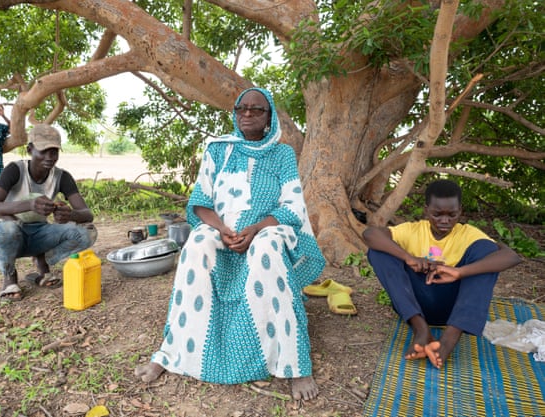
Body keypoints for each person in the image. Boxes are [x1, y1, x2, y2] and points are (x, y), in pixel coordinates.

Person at [135, 88, 326, 400]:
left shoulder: (282, 154)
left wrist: (254, 229)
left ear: (270, 118)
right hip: (222, 231)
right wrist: (223, 229)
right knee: (197, 243)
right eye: (242, 108)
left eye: (257, 110)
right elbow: (201, 200)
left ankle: (294, 363)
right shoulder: (218, 150)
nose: (247, 114)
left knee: (266, 250)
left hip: (267, 230)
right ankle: (170, 352)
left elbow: (292, 207)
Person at [362, 179, 522, 369]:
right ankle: (421, 330)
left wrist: (459, 272)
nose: (445, 220)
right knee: (378, 251)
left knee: (487, 256)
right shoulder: (413, 230)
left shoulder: (468, 234)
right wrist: (408, 257)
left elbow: (511, 257)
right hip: (415, 305)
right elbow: (370, 234)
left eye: (452, 215)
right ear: (426, 210)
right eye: (437, 214)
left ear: (460, 211)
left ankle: (447, 341)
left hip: (452, 308)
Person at [0, 124, 97, 302]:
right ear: (30, 149)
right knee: (8, 228)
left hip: (39, 234)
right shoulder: (15, 170)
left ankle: (42, 261)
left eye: (54, 151)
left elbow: (86, 214)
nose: (49, 157)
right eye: (43, 151)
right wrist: (28, 204)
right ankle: (10, 276)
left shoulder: (61, 176)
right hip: (10, 233)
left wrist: (69, 214)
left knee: (87, 232)